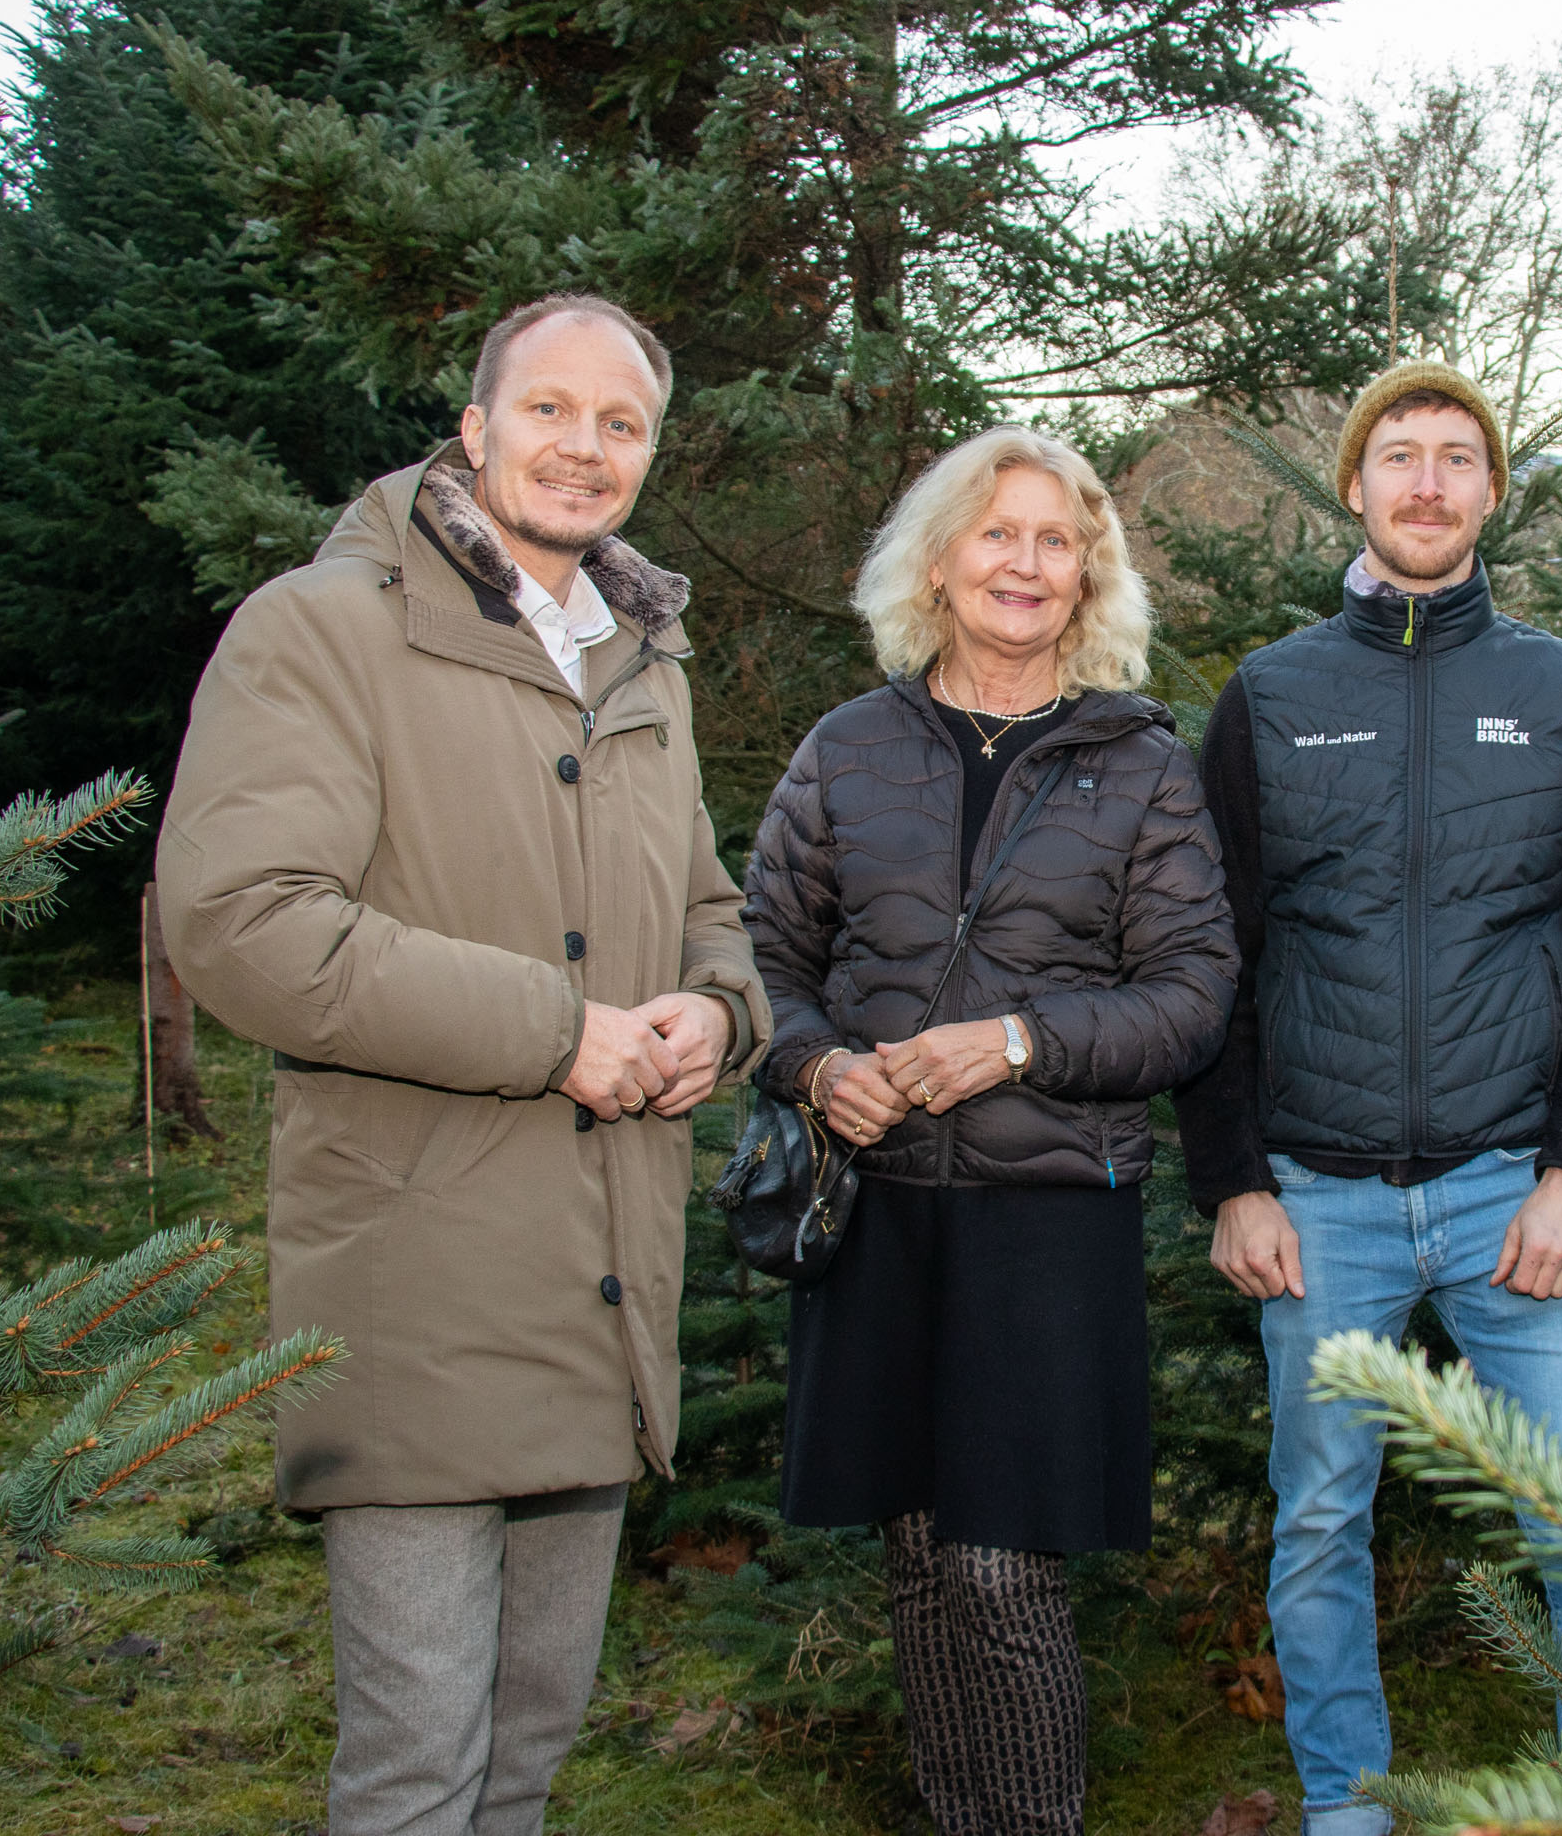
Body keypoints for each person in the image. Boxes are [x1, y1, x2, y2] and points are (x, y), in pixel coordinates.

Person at [160, 293, 768, 1836]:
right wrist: (556, 1034)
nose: (585, 447)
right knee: (417, 1773)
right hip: (421, 1286)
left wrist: (718, 1011)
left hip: (605, 1288)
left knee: (527, 1763)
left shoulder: (643, 660)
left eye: (621, 423)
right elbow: (240, 924)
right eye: (550, 410)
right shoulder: (325, 627)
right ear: (477, 427)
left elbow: (709, 909)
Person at [1175, 361, 1562, 1836]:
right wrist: (1235, 1183)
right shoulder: (1268, 698)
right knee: (1319, 1525)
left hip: (1517, 1194)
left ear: (1494, 491)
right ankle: (1347, 1806)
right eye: (1402, 457)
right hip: (1320, 1206)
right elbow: (1216, 962)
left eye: (1459, 458)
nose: (1430, 484)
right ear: (1356, 485)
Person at [742, 425, 1235, 1836]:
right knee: (915, 1556)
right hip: (880, 1204)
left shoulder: (1140, 766)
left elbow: (1195, 996)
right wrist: (815, 1068)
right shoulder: (849, 749)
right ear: (942, 558)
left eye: (1056, 539)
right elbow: (758, 956)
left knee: (1003, 1572)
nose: (1025, 563)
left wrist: (1021, 1042)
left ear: (1089, 574)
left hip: (1048, 1216)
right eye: (997, 533)